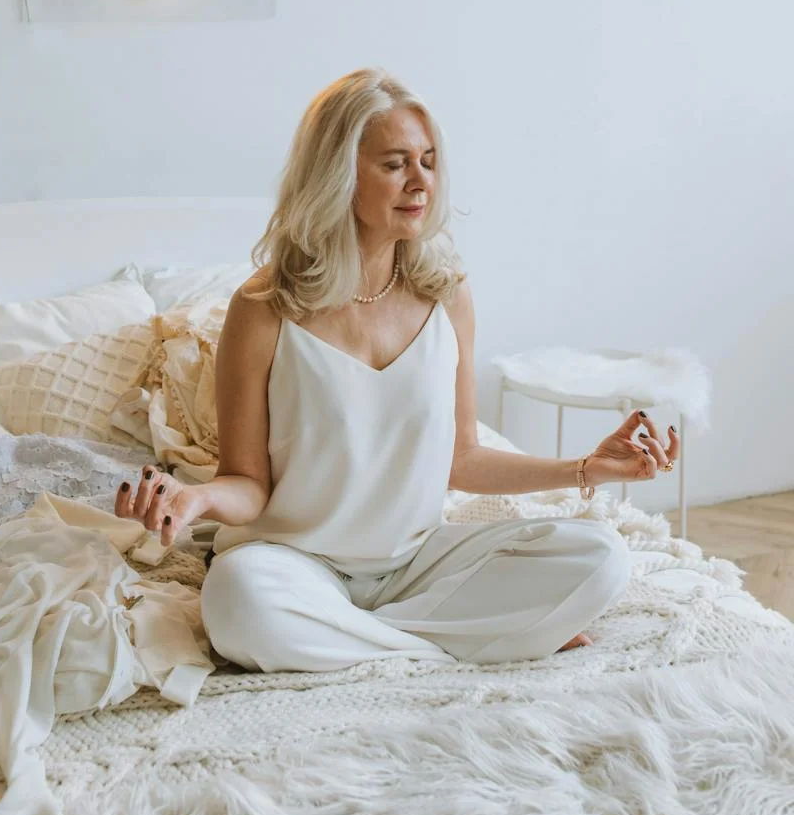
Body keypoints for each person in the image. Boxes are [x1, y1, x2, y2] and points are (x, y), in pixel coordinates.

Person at [114, 67, 680, 671]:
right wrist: (196, 499)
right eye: (395, 164)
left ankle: (357, 639)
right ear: (339, 174)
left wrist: (587, 468)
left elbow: (462, 458)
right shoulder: (263, 309)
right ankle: (461, 641)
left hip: (417, 561)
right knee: (237, 602)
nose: (421, 183)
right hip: (297, 562)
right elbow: (249, 485)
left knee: (601, 556)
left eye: (428, 161)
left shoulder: (446, 294)